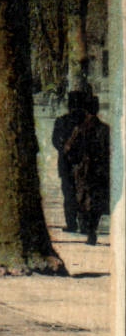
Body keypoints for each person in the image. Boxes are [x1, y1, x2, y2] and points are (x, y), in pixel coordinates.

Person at [64, 95, 110, 246]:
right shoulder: (105, 129)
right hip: (100, 170)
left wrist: (75, 162)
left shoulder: (80, 129)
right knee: (96, 201)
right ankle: (92, 229)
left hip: (83, 170)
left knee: (83, 199)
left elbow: (69, 148)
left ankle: (87, 228)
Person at [51, 91, 87, 233]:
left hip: (66, 162)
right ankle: (83, 224)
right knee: (83, 194)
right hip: (83, 163)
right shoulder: (87, 121)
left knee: (69, 194)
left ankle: (71, 223)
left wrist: (64, 149)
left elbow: (55, 141)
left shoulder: (61, 121)